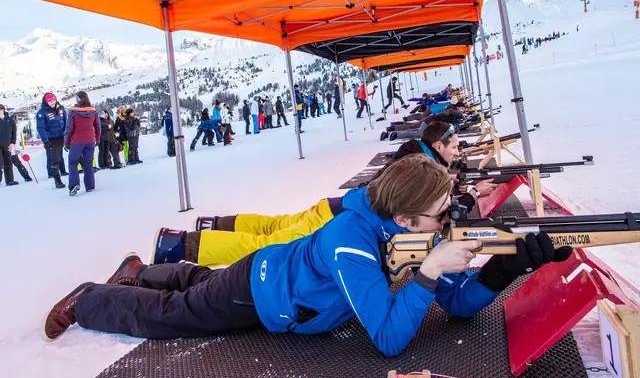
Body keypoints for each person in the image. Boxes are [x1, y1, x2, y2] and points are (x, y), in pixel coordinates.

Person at [44, 155, 572, 352]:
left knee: (202, 281)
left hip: (278, 274)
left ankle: (141, 271)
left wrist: (506, 267)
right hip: (263, 293)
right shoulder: (352, 240)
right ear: (406, 219)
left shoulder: (407, 229)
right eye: (440, 214)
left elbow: (454, 304)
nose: (447, 222)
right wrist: (430, 272)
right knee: (176, 316)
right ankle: (91, 299)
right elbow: (388, 338)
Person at [152, 122, 495, 269]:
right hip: (337, 219)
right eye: (454, 146)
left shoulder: (419, 158)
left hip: (334, 210)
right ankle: (180, 245)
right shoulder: (417, 163)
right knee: (265, 247)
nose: (457, 151)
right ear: (438, 146)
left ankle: (214, 224)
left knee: (275, 228)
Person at [64, 91, 100, 197]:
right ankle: (90, 186)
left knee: (73, 162)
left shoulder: (73, 112)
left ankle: (74, 184)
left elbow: (69, 128)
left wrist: (67, 142)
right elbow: (98, 127)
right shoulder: (93, 111)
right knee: (88, 163)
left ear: (78, 99)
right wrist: (97, 139)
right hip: (90, 140)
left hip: (77, 141)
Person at [36, 92, 67, 187]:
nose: (52, 102)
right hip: (52, 139)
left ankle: (63, 171)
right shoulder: (42, 113)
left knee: (62, 155)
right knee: (54, 159)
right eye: (50, 101)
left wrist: (67, 134)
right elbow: (41, 128)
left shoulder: (60, 108)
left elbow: (66, 121)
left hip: (62, 136)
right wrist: (45, 140)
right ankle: (56, 178)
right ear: (46, 102)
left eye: (53, 100)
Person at [0, 104, 18, 186]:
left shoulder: (10, 120)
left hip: (7, 144)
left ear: (3, 110)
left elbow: (14, 132)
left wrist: (12, 143)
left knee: (8, 162)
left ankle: (10, 180)